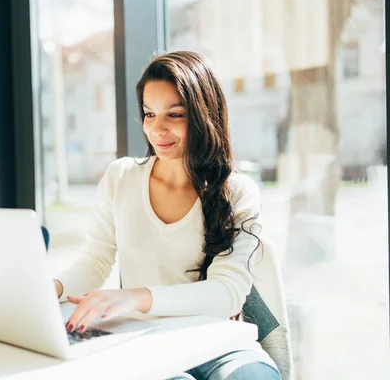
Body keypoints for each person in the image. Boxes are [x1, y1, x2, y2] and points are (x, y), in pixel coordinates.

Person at [53, 51, 281, 380]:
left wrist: (135, 298)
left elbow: (227, 293)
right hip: (143, 343)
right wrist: (54, 288)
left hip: (220, 344)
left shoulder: (237, 191)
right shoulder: (121, 177)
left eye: (174, 115)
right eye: (149, 114)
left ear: (204, 115)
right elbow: (95, 261)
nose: (156, 129)